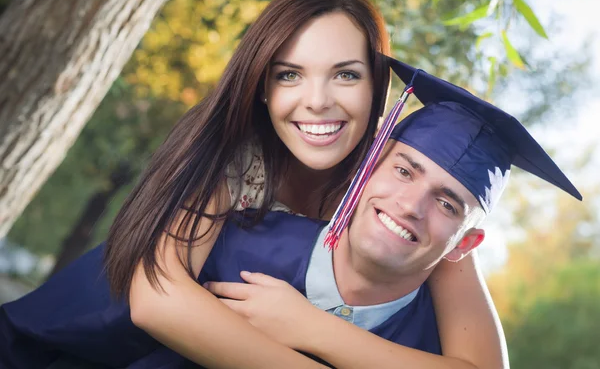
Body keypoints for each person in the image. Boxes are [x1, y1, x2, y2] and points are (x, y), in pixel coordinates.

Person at [0, 0, 506, 369]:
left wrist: (313, 329)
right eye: (289, 74)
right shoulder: (236, 154)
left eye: (346, 75)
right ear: (263, 86)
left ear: (377, 91)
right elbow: (158, 299)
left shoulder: (405, 188)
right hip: (76, 341)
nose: (317, 101)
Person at [115, 56, 583, 368]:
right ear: (366, 168)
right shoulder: (228, 244)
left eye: (446, 203)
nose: (411, 205)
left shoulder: (433, 336)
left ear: (464, 243)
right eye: (404, 171)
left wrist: (312, 329)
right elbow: (115, 311)